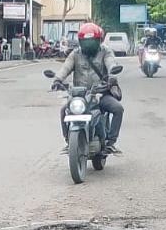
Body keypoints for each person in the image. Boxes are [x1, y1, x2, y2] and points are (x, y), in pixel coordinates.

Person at [52, 21, 124, 157]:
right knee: (63, 110)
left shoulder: (105, 51)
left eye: (92, 41)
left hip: (100, 93)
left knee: (118, 109)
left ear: (98, 40)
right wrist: (57, 80)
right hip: (79, 95)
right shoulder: (75, 54)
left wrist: (112, 77)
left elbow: (111, 63)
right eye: (86, 41)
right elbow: (65, 67)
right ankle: (69, 141)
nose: (89, 44)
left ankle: (110, 142)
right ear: (80, 41)